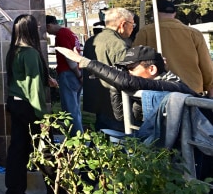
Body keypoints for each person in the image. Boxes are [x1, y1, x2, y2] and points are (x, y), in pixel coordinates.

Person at [57, 44, 199, 130]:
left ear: (152, 69)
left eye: (131, 68)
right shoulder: (145, 89)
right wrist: (115, 85)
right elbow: (121, 116)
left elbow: (127, 81)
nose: (128, 73)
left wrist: (84, 62)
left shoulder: (172, 84)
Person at [4, 14, 59, 194]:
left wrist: (46, 79)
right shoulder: (30, 53)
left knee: (17, 150)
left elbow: (24, 79)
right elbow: (33, 89)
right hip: (29, 106)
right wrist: (43, 117)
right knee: (47, 150)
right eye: (36, 27)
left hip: (15, 103)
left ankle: (14, 193)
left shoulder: (14, 51)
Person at [134, 0, 213, 96]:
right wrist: (209, 86)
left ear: (154, 13)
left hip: (159, 90)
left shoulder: (145, 32)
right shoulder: (194, 33)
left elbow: (135, 62)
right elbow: (206, 64)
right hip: (192, 90)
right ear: (174, 13)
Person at [84, 7, 134, 129]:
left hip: (96, 98)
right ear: (123, 24)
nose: (133, 28)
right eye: (132, 24)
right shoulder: (118, 43)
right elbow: (128, 73)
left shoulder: (91, 40)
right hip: (115, 102)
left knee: (102, 136)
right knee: (119, 139)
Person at [45, 15, 84, 134]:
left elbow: (69, 57)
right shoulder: (69, 33)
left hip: (69, 73)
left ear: (49, 25)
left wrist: (78, 75)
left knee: (69, 110)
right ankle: (79, 136)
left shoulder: (61, 35)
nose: (47, 32)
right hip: (75, 72)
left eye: (46, 29)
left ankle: (77, 140)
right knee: (75, 109)